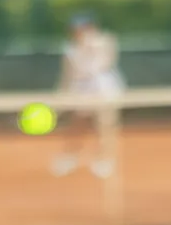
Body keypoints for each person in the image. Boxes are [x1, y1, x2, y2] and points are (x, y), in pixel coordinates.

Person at [50, 13, 125, 179]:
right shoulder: (69, 49)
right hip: (81, 88)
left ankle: (105, 159)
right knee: (77, 124)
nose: (78, 32)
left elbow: (108, 57)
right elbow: (67, 75)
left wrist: (90, 44)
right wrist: (61, 96)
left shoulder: (105, 40)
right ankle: (69, 156)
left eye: (82, 28)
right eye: (75, 29)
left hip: (104, 86)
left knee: (106, 124)